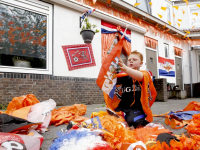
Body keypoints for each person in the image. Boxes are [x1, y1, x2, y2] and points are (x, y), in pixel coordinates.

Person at [114, 50, 157, 128]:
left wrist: (126, 69)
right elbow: (111, 84)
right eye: (129, 60)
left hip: (137, 108)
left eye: (134, 60)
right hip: (123, 107)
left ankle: (148, 124)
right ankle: (124, 120)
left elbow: (140, 77)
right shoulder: (122, 75)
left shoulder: (145, 73)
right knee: (113, 121)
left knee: (136, 123)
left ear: (141, 63)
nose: (131, 61)